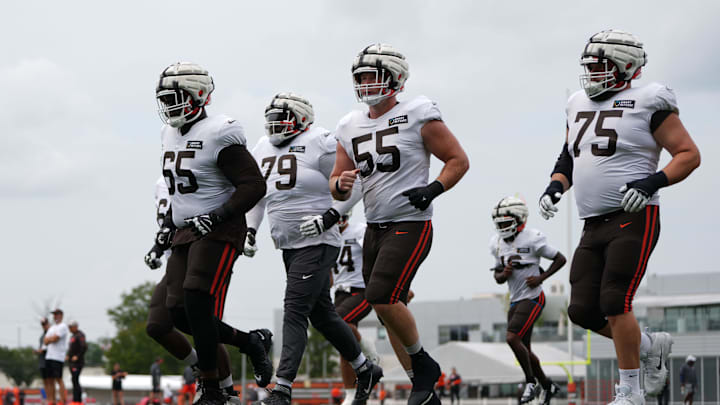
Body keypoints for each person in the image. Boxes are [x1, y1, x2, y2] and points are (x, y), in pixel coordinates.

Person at [538, 29, 700, 405]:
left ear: (625, 65)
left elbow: (688, 154)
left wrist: (651, 182)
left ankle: (630, 390)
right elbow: (569, 155)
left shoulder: (649, 99)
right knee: (580, 310)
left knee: (615, 301)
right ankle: (648, 346)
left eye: (600, 66)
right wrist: (555, 187)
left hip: (634, 216)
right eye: (590, 66)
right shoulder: (577, 102)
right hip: (592, 221)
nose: (592, 74)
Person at [330, 43, 469, 405]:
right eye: (359, 77)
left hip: (411, 221)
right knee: (385, 307)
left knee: (381, 296)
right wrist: (340, 184)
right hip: (374, 225)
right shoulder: (349, 124)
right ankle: (422, 389)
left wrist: (433, 189)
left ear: (394, 78)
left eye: (370, 76)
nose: (363, 84)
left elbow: (457, 160)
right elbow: (337, 180)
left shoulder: (418, 112)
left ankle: (423, 364)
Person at [244, 93, 381, 405]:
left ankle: (282, 388)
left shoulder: (320, 141)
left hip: (319, 240)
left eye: (283, 117)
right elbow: (258, 196)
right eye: (272, 118)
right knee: (322, 315)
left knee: (294, 310)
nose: (275, 124)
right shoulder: (262, 147)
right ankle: (364, 368)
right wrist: (250, 229)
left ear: (302, 117)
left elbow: (355, 183)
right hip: (289, 243)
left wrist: (330, 216)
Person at [153, 61, 269, 405]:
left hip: (220, 227)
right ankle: (249, 341)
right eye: (165, 98)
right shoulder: (169, 133)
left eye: (176, 96)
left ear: (198, 94)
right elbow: (180, 193)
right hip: (185, 231)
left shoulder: (220, 131)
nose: (169, 105)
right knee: (176, 312)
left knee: (196, 296)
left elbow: (253, 184)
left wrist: (218, 215)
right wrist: (166, 229)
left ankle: (213, 388)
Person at [144, 173, 271, 403]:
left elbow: (250, 188)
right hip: (178, 256)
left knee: (204, 324)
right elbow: (169, 220)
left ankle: (225, 391)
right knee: (158, 323)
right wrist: (157, 247)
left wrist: (251, 230)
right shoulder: (164, 181)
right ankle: (244, 344)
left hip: (209, 251)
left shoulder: (206, 163)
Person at [490, 197, 565, 404]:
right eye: (499, 224)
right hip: (515, 300)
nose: (502, 228)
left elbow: (560, 259)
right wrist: (504, 274)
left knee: (512, 338)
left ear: (519, 219)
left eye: (506, 223)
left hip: (533, 298)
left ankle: (530, 382)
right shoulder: (496, 243)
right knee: (524, 347)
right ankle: (548, 385)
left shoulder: (532, 238)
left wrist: (541, 278)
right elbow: (497, 278)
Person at [331, 210, 374, 405]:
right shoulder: (327, 235)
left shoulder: (359, 231)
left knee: (339, 322)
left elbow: (377, 255)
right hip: (339, 294)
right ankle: (351, 393)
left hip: (361, 291)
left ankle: (367, 347)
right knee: (343, 344)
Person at [43, 309, 69, 405]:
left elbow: (56, 338)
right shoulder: (52, 328)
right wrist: (50, 339)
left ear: (61, 315)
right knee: (49, 379)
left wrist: (51, 339)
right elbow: (45, 341)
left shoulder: (63, 326)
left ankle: (62, 400)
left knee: (58, 378)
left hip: (58, 357)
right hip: (49, 356)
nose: (55, 316)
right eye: (54, 315)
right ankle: (52, 400)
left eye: (57, 314)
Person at [67, 321, 87, 405]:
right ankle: (75, 400)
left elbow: (84, 347)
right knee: (73, 380)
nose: (69, 329)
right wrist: (68, 355)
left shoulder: (80, 335)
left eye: (71, 327)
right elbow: (72, 348)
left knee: (75, 379)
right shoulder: (73, 336)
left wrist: (77, 356)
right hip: (71, 362)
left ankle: (78, 400)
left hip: (78, 363)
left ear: (75, 327)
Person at [34, 318, 51, 405]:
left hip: (49, 361)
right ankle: (47, 399)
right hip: (42, 361)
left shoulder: (51, 334)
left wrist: (42, 351)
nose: (44, 326)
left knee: (50, 381)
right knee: (45, 381)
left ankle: (51, 399)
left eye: (45, 324)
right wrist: (38, 351)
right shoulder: (42, 336)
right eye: (42, 324)